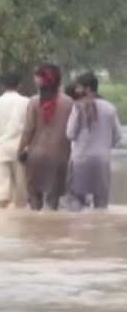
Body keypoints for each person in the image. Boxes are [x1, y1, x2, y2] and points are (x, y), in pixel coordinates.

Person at [16, 63, 74, 211]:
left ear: (42, 80)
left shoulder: (34, 102)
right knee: (54, 201)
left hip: (36, 157)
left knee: (34, 197)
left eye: (36, 77)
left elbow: (28, 130)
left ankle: (35, 230)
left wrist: (19, 150)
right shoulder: (69, 103)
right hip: (60, 157)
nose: (34, 80)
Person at [63, 72, 123, 210]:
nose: (76, 90)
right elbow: (118, 138)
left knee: (74, 201)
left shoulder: (77, 107)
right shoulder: (110, 107)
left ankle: (77, 231)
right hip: (102, 160)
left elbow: (70, 134)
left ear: (88, 88)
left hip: (80, 160)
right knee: (101, 204)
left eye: (78, 87)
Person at [0, 72, 30, 208]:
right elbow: (32, 127)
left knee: (1, 196)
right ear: (20, 86)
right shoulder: (27, 102)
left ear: (2, 86)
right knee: (22, 198)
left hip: (0, 151)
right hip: (22, 152)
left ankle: (3, 225)